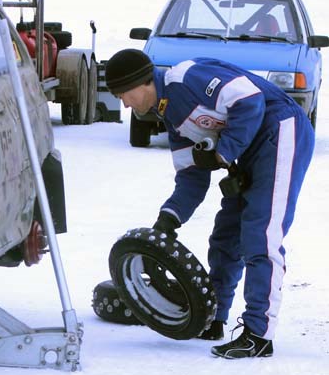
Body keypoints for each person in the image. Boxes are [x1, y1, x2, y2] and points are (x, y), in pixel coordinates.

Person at [104, 49, 314, 359]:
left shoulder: (186, 78)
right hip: (249, 151)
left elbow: (249, 99)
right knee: (225, 236)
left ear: (142, 82)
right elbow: (191, 178)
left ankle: (258, 333)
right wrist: (167, 222)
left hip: (282, 128)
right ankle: (214, 318)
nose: (124, 103)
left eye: (124, 94)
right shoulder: (172, 118)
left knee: (260, 234)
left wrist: (222, 153)